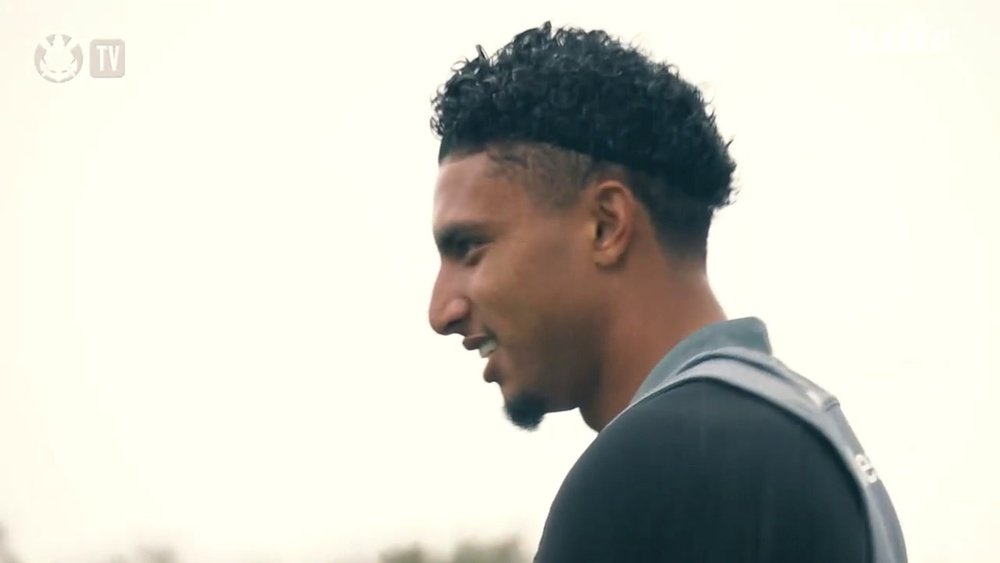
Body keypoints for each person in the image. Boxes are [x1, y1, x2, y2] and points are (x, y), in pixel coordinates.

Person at [426, 21, 907, 563]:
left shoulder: (659, 464)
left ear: (606, 226)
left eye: (469, 246)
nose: (441, 310)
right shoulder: (811, 434)